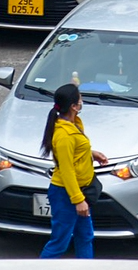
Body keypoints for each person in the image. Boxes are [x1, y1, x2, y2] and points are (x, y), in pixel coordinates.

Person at [40, 82, 108, 259]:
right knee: (59, 243)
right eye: (80, 98)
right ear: (74, 106)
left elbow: (73, 154)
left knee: (85, 236)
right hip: (66, 194)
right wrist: (78, 200)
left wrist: (90, 153)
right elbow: (67, 170)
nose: (82, 100)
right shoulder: (64, 135)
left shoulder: (73, 125)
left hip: (78, 191)